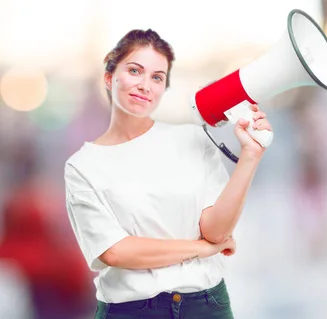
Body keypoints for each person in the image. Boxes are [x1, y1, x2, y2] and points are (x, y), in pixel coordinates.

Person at [64, 29, 272, 319]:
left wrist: (250, 156)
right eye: (135, 71)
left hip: (206, 306)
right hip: (130, 311)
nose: (145, 85)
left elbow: (216, 231)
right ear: (109, 78)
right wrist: (201, 248)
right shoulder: (83, 166)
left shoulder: (193, 140)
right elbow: (115, 252)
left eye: (157, 77)